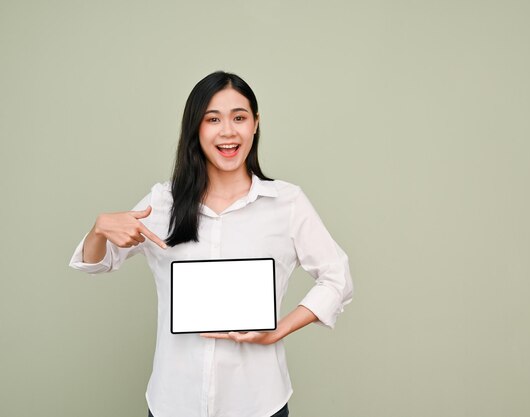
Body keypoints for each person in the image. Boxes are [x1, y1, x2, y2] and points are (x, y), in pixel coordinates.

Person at [68, 71, 354, 417]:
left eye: (239, 117)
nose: (228, 131)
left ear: (256, 124)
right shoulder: (162, 202)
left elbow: (337, 276)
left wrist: (278, 331)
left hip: (259, 403)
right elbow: (98, 262)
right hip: (173, 401)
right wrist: (99, 230)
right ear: (196, 128)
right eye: (212, 119)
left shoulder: (287, 202)